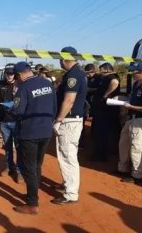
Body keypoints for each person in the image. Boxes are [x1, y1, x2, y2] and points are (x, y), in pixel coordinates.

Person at [11, 62, 57, 214]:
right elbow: (54, 107)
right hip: (46, 131)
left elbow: (18, 112)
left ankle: (32, 204)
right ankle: (33, 194)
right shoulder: (47, 84)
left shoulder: (23, 88)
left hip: (29, 133)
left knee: (28, 167)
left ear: (19, 75)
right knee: (37, 165)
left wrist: (11, 108)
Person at [52, 46, 87, 205]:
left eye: (60, 59)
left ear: (65, 59)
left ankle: (71, 193)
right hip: (72, 119)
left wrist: (58, 119)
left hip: (69, 120)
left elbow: (69, 100)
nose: (59, 61)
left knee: (67, 156)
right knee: (67, 155)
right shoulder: (78, 73)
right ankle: (68, 184)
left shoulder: (74, 75)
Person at [117, 62, 142, 184]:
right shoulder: (136, 84)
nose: (132, 73)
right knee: (123, 145)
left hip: (141, 120)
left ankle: (137, 175)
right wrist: (122, 100)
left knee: (137, 148)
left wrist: (132, 106)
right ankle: (122, 169)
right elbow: (132, 100)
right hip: (131, 119)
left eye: (135, 71)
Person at [0, 63, 23, 183]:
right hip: (4, 120)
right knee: (8, 146)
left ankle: (19, 171)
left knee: (19, 147)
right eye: (8, 73)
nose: (10, 75)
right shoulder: (1, 83)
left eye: (12, 73)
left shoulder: (20, 84)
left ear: (15, 74)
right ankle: (10, 166)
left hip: (17, 121)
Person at [91, 63, 121, 161]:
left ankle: (101, 156)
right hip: (101, 110)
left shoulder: (112, 77)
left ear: (107, 70)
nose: (100, 72)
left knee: (102, 133)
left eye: (102, 70)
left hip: (105, 111)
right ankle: (100, 154)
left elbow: (115, 82)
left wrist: (106, 95)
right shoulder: (105, 78)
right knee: (100, 133)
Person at [79, 63, 101, 147]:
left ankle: (94, 138)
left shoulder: (99, 78)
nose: (88, 74)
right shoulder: (84, 78)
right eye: (87, 73)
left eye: (90, 72)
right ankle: (82, 142)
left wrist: (88, 89)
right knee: (82, 121)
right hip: (85, 102)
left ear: (94, 71)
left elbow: (100, 89)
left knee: (95, 122)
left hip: (95, 103)